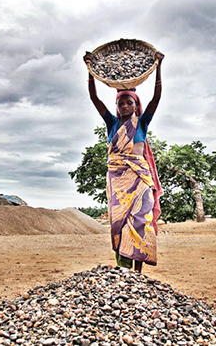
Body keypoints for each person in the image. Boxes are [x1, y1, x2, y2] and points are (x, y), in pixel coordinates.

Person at [83, 51, 165, 273]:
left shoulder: (142, 124)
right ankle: (125, 271)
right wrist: (90, 72)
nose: (125, 106)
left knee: (140, 221)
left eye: (130, 102)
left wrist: (158, 66)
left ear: (136, 105)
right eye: (121, 103)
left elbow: (156, 98)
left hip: (140, 180)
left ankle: (137, 273)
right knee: (120, 224)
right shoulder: (111, 124)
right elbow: (94, 99)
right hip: (118, 182)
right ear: (117, 106)